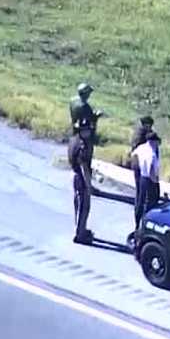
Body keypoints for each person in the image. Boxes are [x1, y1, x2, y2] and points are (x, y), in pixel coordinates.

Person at [68, 82, 102, 244]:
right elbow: (83, 167)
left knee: (78, 203)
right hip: (81, 178)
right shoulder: (83, 145)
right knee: (84, 206)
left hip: (75, 176)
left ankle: (79, 229)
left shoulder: (73, 141)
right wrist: (89, 184)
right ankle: (80, 234)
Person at [131, 131, 162, 229]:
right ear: (154, 141)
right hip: (150, 179)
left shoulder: (141, 147)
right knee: (150, 203)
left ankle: (137, 222)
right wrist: (155, 181)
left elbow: (133, 156)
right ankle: (145, 224)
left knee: (140, 200)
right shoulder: (152, 153)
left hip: (142, 177)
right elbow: (151, 169)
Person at [128, 115, 155, 192]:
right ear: (146, 124)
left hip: (137, 161)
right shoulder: (144, 134)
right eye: (150, 125)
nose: (151, 127)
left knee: (139, 186)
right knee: (142, 186)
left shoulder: (138, 132)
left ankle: (139, 202)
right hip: (141, 162)